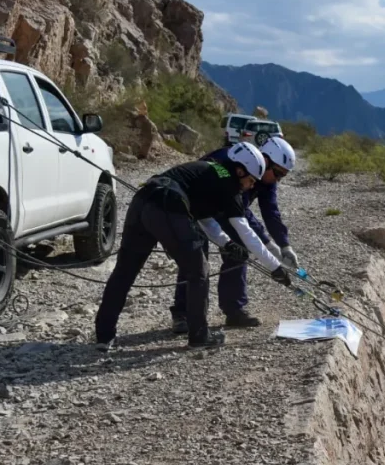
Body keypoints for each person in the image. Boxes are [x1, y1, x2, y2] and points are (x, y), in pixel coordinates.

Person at [94, 142, 292, 351]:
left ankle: (104, 336)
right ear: (240, 170)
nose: (252, 186)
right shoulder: (230, 185)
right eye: (251, 180)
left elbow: (204, 218)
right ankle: (199, 336)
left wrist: (227, 243)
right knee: (198, 271)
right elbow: (247, 233)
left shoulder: (210, 172)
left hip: (142, 201)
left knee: (124, 272)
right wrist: (275, 268)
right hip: (168, 204)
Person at [170, 137, 299, 331]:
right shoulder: (239, 163)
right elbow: (241, 212)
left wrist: (283, 245)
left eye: (283, 176)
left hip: (225, 210)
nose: (278, 179)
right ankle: (183, 314)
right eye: (278, 173)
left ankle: (234, 311)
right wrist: (267, 246)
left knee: (239, 250)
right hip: (196, 207)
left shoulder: (266, 178)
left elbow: (270, 211)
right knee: (195, 256)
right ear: (267, 160)